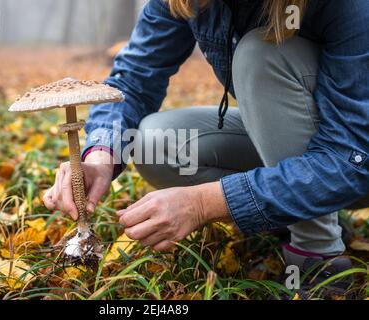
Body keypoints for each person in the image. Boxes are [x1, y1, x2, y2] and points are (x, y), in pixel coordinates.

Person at [44, 0, 369, 289]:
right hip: (309, 144)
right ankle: (286, 212)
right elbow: (134, 76)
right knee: (154, 143)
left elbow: (351, 157)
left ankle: (318, 258)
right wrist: (100, 157)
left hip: (353, 155)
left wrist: (203, 203)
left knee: (261, 54)